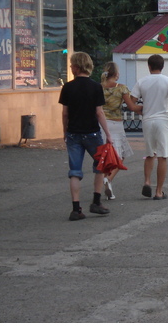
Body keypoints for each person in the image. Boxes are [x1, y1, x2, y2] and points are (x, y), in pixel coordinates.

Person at [59, 52, 113, 221]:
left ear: (76, 67)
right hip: (92, 133)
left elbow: (65, 113)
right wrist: (108, 134)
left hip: (74, 134)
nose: (70, 67)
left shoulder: (67, 87)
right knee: (100, 167)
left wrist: (65, 131)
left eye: (71, 65)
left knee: (75, 171)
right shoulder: (96, 87)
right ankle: (96, 202)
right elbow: (99, 112)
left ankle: (76, 209)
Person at [131, 54, 168, 200]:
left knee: (149, 154)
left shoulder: (142, 82)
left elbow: (131, 102)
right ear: (162, 66)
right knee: (162, 156)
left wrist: (140, 108)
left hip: (147, 120)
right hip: (162, 121)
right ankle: (159, 191)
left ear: (149, 66)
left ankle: (147, 181)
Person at [100, 61, 143, 200]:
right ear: (116, 74)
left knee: (104, 156)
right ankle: (108, 179)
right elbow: (132, 107)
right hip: (116, 125)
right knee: (120, 156)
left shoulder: (98, 87)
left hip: (100, 124)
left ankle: (108, 183)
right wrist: (145, 107)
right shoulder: (121, 88)